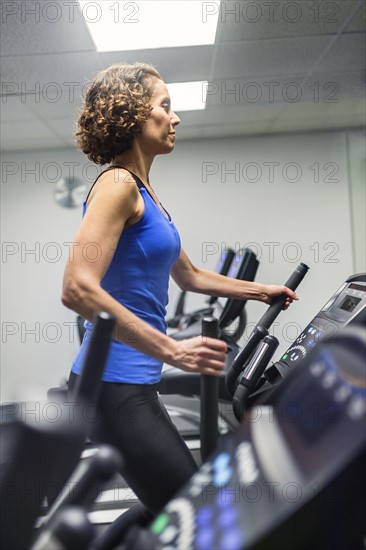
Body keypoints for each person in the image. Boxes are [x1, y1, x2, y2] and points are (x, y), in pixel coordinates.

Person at [62, 62, 298, 514]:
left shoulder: (145, 191)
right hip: (112, 385)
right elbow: (76, 288)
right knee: (193, 511)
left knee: (181, 506)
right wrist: (174, 352)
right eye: (164, 106)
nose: (175, 118)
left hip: (132, 379)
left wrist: (260, 291)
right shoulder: (116, 185)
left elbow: (188, 275)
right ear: (133, 114)